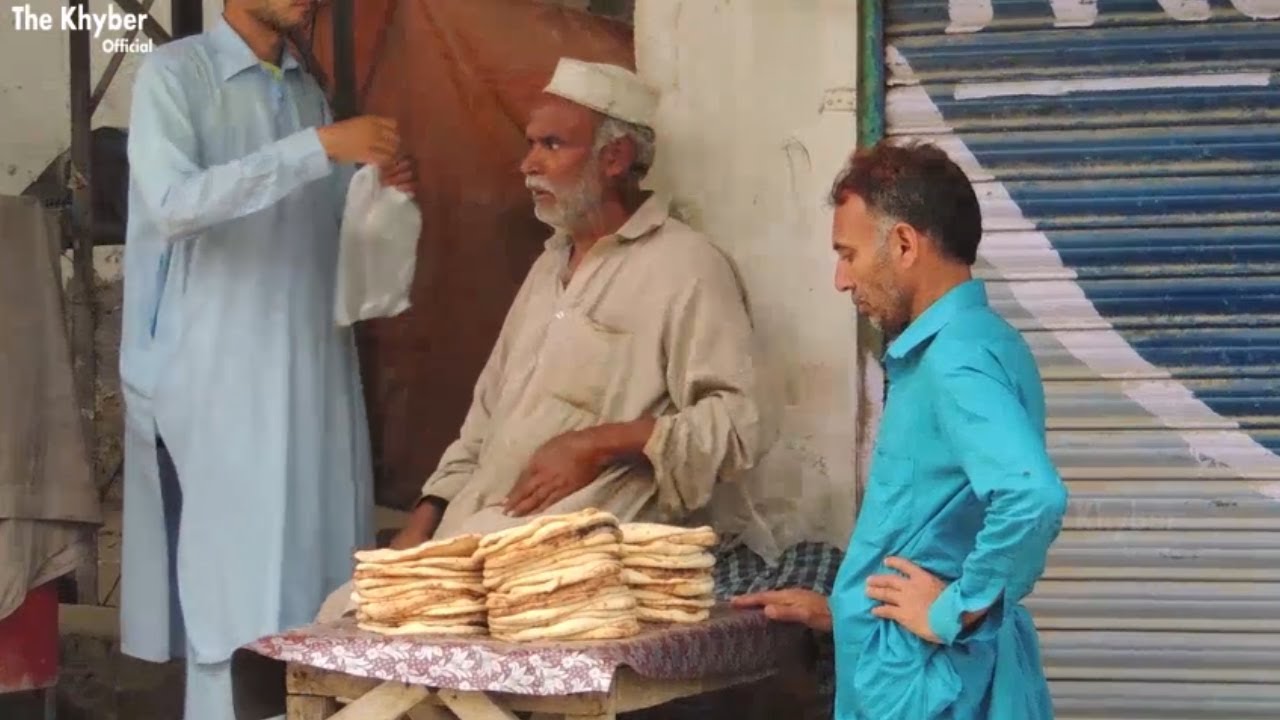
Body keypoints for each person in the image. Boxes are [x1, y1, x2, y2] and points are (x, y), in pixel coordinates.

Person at [117, 0, 415, 717]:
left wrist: (379, 192)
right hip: (222, 380)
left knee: (320, 595)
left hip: (316, 378)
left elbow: (328, 230)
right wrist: (318, 148)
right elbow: (173, 202)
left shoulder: (305, 90)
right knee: (236, 603)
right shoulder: (174, 76)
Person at [733, 141, 1069, 720]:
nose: (841, 279)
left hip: (927, 685)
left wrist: (953, 611)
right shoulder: (984, 341)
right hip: (937, 671)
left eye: (849, 254)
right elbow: (938, 524)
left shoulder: (955, 360)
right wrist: (847, 606)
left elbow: (1031, 494)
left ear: (905, 244)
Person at [390, 57, 768, 547]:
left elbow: (737, 426)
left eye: (552, 145)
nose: (529, 165)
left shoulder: (686, 265)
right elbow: (482, 425)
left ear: (614, 158)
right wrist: (424, 518)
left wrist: (596, 445)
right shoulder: (549, 266)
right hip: (478, 522)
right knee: (342, 608)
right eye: (531, 144)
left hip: (579, 542)